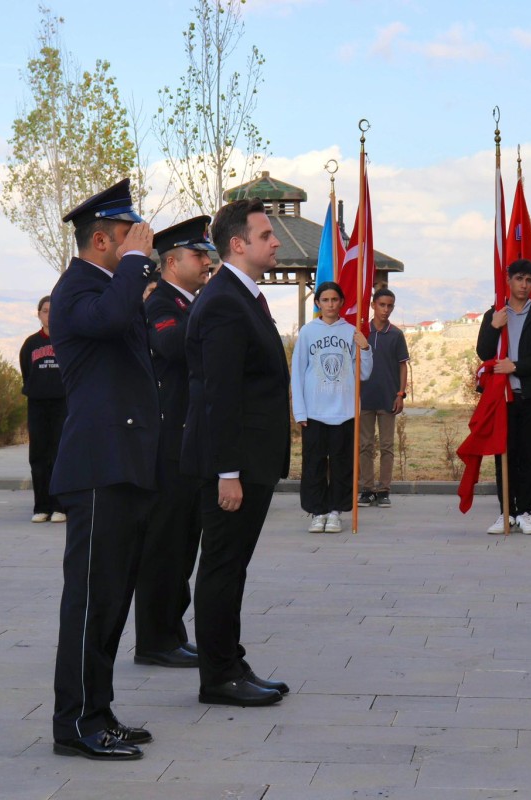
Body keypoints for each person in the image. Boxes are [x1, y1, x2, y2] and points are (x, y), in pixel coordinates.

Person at [48, 178, 161, 761]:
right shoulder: (76, 290)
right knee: (91, 599)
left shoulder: (106, 287)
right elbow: (116, 319)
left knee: (112, 598)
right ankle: (76, 723)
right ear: (100, 240)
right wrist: (137, 263)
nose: (139, 241)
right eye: (127, 234)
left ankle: (99, 708)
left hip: (124, 466)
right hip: (98, 468)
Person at [183, 197, 291, 708]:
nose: (275, 243)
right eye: (266, 235)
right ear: (238, 244)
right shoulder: (225, 299)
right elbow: (219, 396)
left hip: (249, 460)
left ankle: (230, 660)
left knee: (233, 565)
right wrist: (228, 472)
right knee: (223, 565)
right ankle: (219, 675)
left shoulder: (242, 295)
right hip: (235, 464)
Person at [132, 216, 215, 669]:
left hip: (188, 440)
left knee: (183, 543)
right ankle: (155, 639)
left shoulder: (189, 302)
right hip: (167, 442)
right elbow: (172, 348)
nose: (207, 261)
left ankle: (169, 631)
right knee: (165, 544)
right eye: (198, 255)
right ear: (171, 261)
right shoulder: (162, 302)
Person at [476, 258, 531, 535]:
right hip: (503, 399)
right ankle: (506, 512)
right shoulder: (495, 314)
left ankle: (525, 511)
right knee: (505, 455)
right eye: (519, 279)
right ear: (508, 281)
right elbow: (484, 352)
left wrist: (517, 367)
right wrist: (493, 326)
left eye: (529, 280)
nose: (524, 285)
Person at [291, 281, 372, 533]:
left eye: (334, 300)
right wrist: (299, 410)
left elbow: (365, 373)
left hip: (344, 411)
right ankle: (317, 512)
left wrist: (365, 347)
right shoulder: (307, 332)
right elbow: (298, 372)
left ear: (341, 302)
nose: (330, 304)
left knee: (342, 464)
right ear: (317, 303)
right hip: (315, 411)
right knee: (313, 463)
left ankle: (336, 511)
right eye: (325, 300)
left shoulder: (351, 331)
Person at [358, 288, 409, 509]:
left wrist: (400, 394)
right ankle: (367, 489)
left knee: (387, 446)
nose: (385, 310)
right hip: (364, 398)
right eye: (382, 305)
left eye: (389, 306)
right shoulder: (361, 332)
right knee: (364, 445)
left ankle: (384, 490)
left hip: (388, 398)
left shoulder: (396, 334)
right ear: (372, 305)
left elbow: (402, 365)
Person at [18, 296, 66, 524]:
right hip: (38, 403)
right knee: (39, 455)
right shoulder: (30, 344)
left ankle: (60, 506)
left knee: (60, 453)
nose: (49, 314)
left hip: (63, 404)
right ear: (39, 314)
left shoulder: (67, 340)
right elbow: (26, 371)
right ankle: (41, 506)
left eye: (53, 310)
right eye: (45, 310)